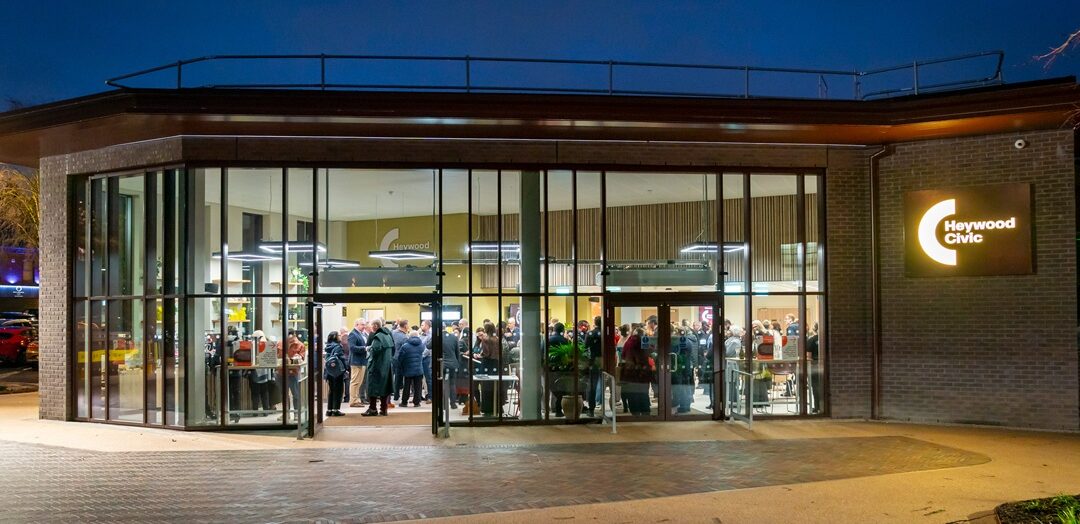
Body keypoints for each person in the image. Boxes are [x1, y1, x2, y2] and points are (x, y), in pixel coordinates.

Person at [362, 319, 395, 417]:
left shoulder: (377, 337)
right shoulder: (388, 336)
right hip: (386, 366)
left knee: (372, 388)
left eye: (371, 325)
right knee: (384, 388)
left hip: (376, 367)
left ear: (376, 326)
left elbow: (374, 351)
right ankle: (383, 409)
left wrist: (368, 349)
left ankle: (372, 409)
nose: (371, 327)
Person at [620, 327, 652, 416]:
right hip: (642, 370)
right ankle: (645, 410)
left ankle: (635, 411)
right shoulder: (643, 342)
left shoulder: (628, 342)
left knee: (632, 392)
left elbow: (623, 355)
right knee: (643, 391)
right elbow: (648, 353)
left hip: (630, 370)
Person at [477, 322, 504, 416]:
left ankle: (487, 408)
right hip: (496, 363)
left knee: (486, 386)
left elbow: (486, 353)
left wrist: (479, 355)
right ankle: (497, 407)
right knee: (495, 386)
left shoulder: (485, 339)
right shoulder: (497, 339)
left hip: (487, 364)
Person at [396, 329, 426, 407]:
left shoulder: (405, 346)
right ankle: (417, 402)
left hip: (408, 369)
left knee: (407, 386)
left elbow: (400, 358)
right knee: (418, 386)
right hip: (419, 369)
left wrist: (401, 366)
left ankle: (404, 402)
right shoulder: (421, 345)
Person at [247, 330, 274, 417]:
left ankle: (255, 412)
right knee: (264, 393)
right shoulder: (268, 345)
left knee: (255, 394)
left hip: (254, 373)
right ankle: (265, 411)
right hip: (265, 374)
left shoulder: (252, 345)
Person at [546, 322, 570, 417]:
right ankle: (557, 409)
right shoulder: (565, 340)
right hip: (561, 367)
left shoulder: (548, 339)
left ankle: (550, 408)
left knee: (551, 387)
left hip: (550, 367)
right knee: (560, 387)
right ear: (562, 330)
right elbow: (568, 353)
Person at [322, 331, 347, 417]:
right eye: (339, 335)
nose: (340, 336)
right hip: (337, 371)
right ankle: (336, 409)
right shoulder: (338, 347)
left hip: (329, 371)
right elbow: (342, 359)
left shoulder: (328, 346)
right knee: (338, 390)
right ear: (335, 337)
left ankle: (329, 409)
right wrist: (345, 368)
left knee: (331, 390)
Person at [347, 319, 369, 408]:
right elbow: (352, 348)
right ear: (356, 324)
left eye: (364, 324)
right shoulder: (353, 334)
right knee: (355, 382)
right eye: (362, 325)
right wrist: (365, 348)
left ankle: (357, 399)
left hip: (361, 361)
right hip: (356, 361)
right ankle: (353, 401)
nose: (364, 326)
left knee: (359, 382)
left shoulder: (360, 333)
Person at [583, 316, 602, 417]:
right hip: (605, 360)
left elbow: (585, 349)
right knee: (608, 384)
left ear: (594, 322)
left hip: (594, 361)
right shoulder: (606, 333)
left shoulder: (590, 333)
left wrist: (587, 362)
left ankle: (591, 409)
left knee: (592, 386)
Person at [285, 330, 305, 415]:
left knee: (295, 394)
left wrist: (296, 358)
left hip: (294, 372)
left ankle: (297, 413)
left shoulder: (300, 345)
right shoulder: (280, 343)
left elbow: (302, 358)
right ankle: (286, 413)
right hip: (281, 372)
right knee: (284, 394)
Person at [441, 327, 461, 409]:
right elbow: (457, 352)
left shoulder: (438, 337)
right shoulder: (454, 337)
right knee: (452, 384)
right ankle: (453, 404)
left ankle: (444, 405)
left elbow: (428, 346)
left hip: (442, 364)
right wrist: (457, 364)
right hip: (453, 364)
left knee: (443, 384)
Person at [391, 319, 408, 404]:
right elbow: (405, 350)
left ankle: (395, 395)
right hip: (400, 359)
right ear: (405, 326)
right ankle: (397, 395)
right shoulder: (404, 337)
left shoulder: (393, 333)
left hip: (393, 357)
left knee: (395, 376)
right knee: (399, 377)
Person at [807, 322, 822, 413]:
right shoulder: (827, 339)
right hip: (827, 365)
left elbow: (808, 356)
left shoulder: (811, 340)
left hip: (815, 365)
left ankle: (817, 407)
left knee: (816, 386)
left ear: (814, 329)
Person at [420, 319, 434, 402]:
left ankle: (430, 397)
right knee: (420, 378)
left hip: (427, 357)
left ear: (428, 326)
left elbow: (428, 348)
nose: (421, 326)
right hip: (421, 357)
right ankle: (420, 396)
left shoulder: (431, 335)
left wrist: (422, 355)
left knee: (428, 378)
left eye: (423, 325)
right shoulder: (421, 335)